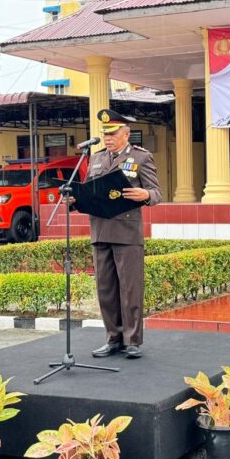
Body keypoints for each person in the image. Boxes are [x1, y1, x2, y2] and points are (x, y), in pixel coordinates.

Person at [86, 109, 162, 359]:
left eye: (113, 133)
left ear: (126, 134)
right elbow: (89, 190)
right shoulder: (96, 159)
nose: (108, 138)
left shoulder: (140, 157)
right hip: (100, 230)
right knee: (105, 289)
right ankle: (113, 339)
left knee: (130, 288)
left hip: (127, 232)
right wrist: (76, 197)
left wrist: (146, 195)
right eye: (105, 134)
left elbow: (156, 192)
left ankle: (132, 340)